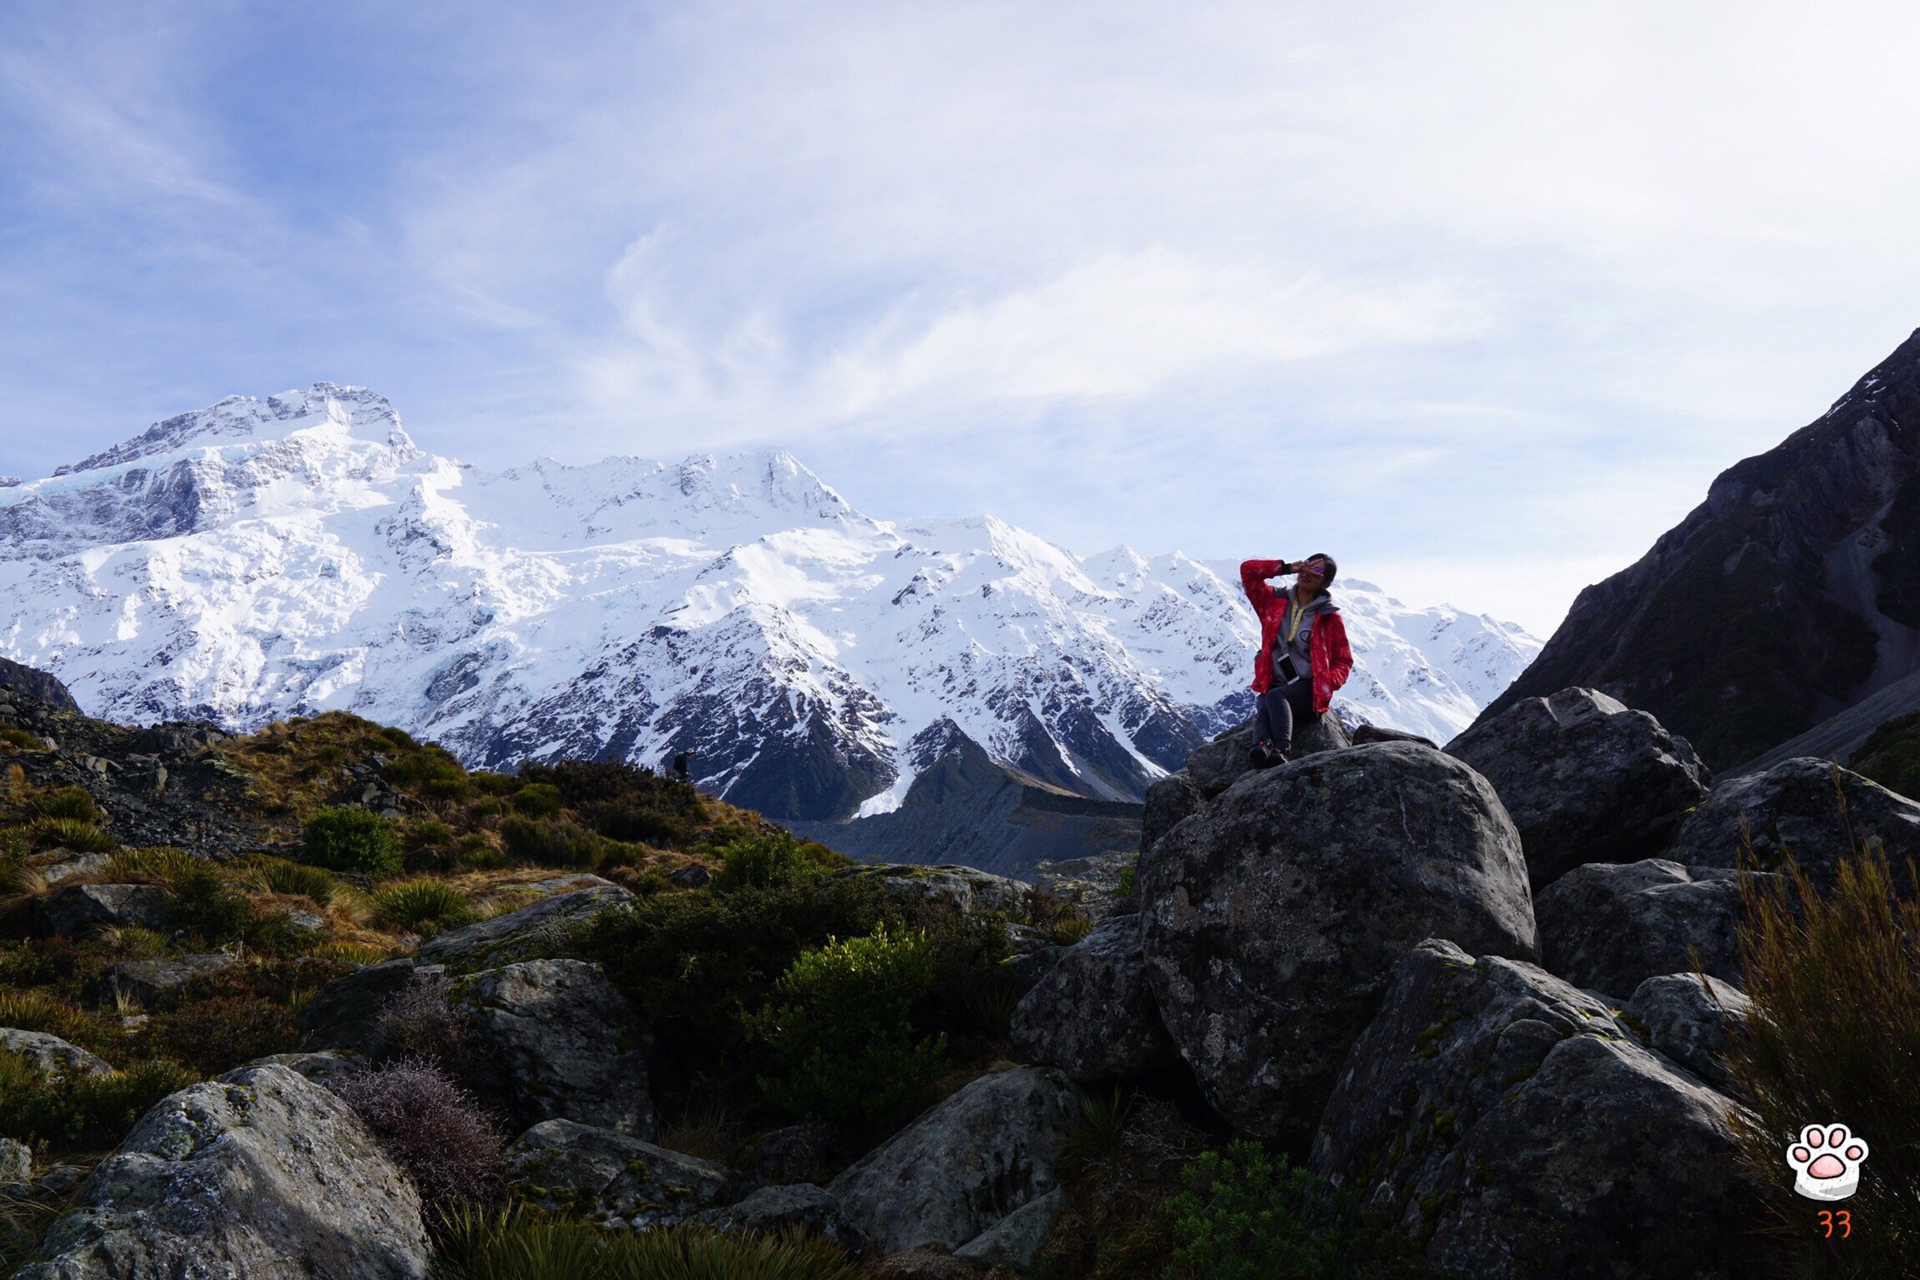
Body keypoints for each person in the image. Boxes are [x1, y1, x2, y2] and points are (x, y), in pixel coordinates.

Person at [1239, 554, 1353, 768]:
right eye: (1307, 565)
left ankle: (1282, 749)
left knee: (1274, 697)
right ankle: (1260, 749)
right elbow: (1248, 571)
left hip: (1307, 687)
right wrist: (1286, 568)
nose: (1308, 572)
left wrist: (1327, 683)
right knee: (1265, 704)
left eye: (1317, 571)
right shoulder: (1273, 602)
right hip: (1274, 680)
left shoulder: (1329, 618)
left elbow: (1343, 660)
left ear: (1326, 583)